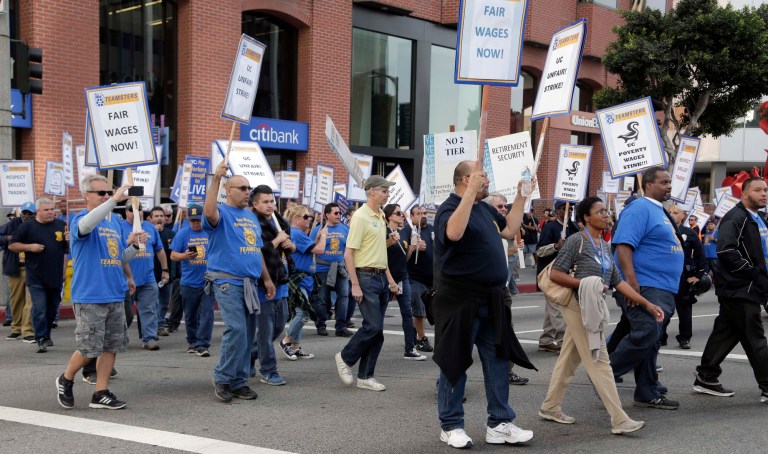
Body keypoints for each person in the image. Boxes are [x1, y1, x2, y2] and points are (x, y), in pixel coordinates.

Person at [433, 161, 535, 449]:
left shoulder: (486, 208)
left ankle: (499, 423)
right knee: (454, 363)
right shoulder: (449, 208)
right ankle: (451, 425)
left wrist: (521, 195)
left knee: (498, 360)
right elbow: (453, 233)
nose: (487, 182)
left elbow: (510, 229)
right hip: (459, 301)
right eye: (482, 178)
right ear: (466, 179)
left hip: (491, 299)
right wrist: (469, 195)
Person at [539, 196, 662, 434]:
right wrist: (586, 283)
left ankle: (550, 407)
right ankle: (619, 419)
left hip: (590, 306)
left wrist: (646, 303)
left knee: (569, 359)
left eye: (607, 211)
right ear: (586, 217)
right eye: (601, 211)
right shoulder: (577, 241)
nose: (607, 215)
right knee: (599, 359)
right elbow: (555, 274)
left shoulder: (605, 246)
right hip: (578, 304)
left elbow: (617, 282)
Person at [55, 175, 145, 410]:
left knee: (110, 347)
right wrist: (114, 199)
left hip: (115, 293)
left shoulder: (113, 224)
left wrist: (134, 247)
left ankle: (100, 392)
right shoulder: (78, 220)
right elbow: (86, 226)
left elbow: (117, 259)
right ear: (87, 195)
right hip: (90, 295)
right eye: (101, 193)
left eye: (108, 193)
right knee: (88, 348)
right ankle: (65, 379)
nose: (106, 196)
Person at [609, 167, 684, 410]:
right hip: (646, 285)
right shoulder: (640, 208)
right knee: (647, 332)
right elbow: (622, 245)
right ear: (648, 184)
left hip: (662, 286)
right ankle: (606, 376)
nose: (669, 186)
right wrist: (632, 284)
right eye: (664, 182)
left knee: (651, 339)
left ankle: (647, 390)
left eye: (670, 181)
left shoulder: (658, 210)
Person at [204, 164, 275, 402]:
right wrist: (216, 179)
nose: (247, 192)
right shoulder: (221, 213)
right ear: (228, 190)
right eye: (242, 188)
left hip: (250, 283)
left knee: (246, 334)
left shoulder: (250, 217)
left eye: (249, 188)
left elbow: (255, 250)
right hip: (227, 281)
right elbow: (208, 212)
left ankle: (238, 381)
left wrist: (266, 278)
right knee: (237, 329)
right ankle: (223, 378)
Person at [694, 176, 768, 402]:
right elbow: (726, 251)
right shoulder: (735, 217)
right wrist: (754, 273)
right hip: (741, 287)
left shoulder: (759, 218)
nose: (764, 193)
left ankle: (706, 376)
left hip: (750, 286)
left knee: (726, 332)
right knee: (755, 337)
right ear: (744, 194)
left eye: (765, 190)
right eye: (758, 190)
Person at [334, 175, 399, 392]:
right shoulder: (361, 217)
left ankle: (365, 376)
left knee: (377, 330)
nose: (387, 194)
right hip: (366, 277)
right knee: (373, 326)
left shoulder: (380, 215)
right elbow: (348, 253)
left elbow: (379, 251)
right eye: (384, 190)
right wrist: (354, 283)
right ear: (372, 191)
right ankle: (345, 357)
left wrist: (390, 280)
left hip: (380, 276)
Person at [9, 198, 69, 353]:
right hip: (36, 277)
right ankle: (40, 338)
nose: (51, 212)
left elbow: (64, 251)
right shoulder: (27, 227)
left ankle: (47, 334)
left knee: (51, 309)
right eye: (47, 210)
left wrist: (63, 271)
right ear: (38, 211)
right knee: (39, 308)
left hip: (55, 276)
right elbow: (12, 245)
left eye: (52, 209)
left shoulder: (61, 225)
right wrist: (29, 247)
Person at [249, 186, 295, 385]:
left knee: (278, 326)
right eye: (265, 202)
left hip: (281, 278)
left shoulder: (279, 221)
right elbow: (256, 250)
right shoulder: (251, 223)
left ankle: (248, 355)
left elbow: (288, 248)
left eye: (272, 201)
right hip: (263, 281)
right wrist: (277, 240)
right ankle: (269, 370)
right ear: (255, 204)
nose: (270, 205)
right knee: (266, 331)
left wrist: (290, 245)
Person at [484, 193, 528, 385]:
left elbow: (511, 231)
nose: (503, 209)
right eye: (499, 207)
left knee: (505, 334)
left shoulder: (504, 230)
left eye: (504, 206)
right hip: (479, 293)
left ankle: (507, 372)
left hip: (501, 291)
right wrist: (507, 252)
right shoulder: (481, 227)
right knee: (463, 340)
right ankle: (449, 383)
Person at [121, 203, 169, 350]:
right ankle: (119, 339)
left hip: (147, 278)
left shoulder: (149, 227)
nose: (136, 212)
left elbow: (159, 250)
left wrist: (165, 269)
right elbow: (115, 250)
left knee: (149, 309)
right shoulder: (120, 226)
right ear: (125, 212)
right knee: (124, 314)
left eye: (139, 209)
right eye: (131, 210)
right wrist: (129, 241)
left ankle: (149, 338)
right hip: (125, 279)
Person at [383, 203, 426, 361]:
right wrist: (391, 281)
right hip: (387, 278)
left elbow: (405, 259)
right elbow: (381, 258)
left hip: (403, 277)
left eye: (402, 213)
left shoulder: (403, 232)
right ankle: (370, 344)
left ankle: (410, 348)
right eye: (398, 213)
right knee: (379, 314)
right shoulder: (384, 232)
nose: (402, 216)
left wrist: (412, 247)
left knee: (407, 314)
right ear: (389, 217)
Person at [169, 204, 213, 357]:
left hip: (208, 281)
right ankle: (193, 341)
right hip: (188, 282)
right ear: (188, 219)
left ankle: (203, 344)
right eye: (193, 220)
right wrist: (185, 256)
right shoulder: (183, 234)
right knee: (190, 314)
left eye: (198, 220)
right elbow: (173, 255)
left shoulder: (210, 232)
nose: (196, 223)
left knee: (207, 314)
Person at [662, 205, 707, 350]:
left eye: (675, 212)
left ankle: (685, 338)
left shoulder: (690, 233)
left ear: (683, 215)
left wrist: (697, 276)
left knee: (684, 310)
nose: (672, 214)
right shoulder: (660, 230)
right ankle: (660, 336)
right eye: (669, 212)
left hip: (683, 277)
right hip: (665, 276)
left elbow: (701, 255)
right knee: (663, 309)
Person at [536, 201, 579, 353]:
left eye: (571, 208)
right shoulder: (550, 227)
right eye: (564, 208)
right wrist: (555, 246)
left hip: (567, 273)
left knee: (552, 308)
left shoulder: (573, 227)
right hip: (552, 273)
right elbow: (539, 251)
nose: (568, 210)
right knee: (558, 308)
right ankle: (562, 341)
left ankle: (546, 340)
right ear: (557, 210)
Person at [280, 205, 322, 359]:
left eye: (310, 217)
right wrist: (323, 236)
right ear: (296, 218)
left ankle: (296, 346)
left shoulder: (299, 234)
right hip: (299, 278)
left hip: (305, 279)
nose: (309, 220)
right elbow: (319, 250)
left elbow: (310, 248)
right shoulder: (296, 232)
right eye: (306, 217)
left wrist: (316, 239)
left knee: (300, 312)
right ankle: (287, 340)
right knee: (304, 312)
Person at [310, 203, 353, 338]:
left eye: (340, 213)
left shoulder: (345, 229)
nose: (338, 215)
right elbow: (311, 248)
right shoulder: (318, 229)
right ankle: (321, 324)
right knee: (322, 298)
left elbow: (349, 248)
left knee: (344, 296)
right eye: (335, 213)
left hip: (340, 268)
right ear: (327, 214)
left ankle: (341, 326)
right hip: (323, 268)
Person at [1, 203, 35, 342]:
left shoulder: (37, 225)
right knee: (15, 300)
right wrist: (7, 239)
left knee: (31, 300)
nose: (27, 215)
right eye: (25, 212)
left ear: (34, 213)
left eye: (29, 213)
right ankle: (16, 328)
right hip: (15, 267)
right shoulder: (12, 224)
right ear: (21, 212)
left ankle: (27, 330)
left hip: (32, 267)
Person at [402, 205, 434, 352]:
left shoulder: (432, 229)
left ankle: (415, 332)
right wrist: (414, 247)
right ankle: (421, 339)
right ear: (412, 216)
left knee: (435, 309)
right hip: (415, 276)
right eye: (419, 213)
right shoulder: (408, 231)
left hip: (433, 277)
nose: (423, 216)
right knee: (419, 308)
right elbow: (403, 257)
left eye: (425, 213)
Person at [149, 206, 175, 336]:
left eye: (162, 216)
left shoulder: (171, 234)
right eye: (156, 216)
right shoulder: (145, 233)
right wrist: (154, 232)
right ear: (150, 219)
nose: (160, 218)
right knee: (152, 302)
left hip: (166, 273)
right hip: (150, 274)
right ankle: (151, 327)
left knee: (164, 302)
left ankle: (159, 325)